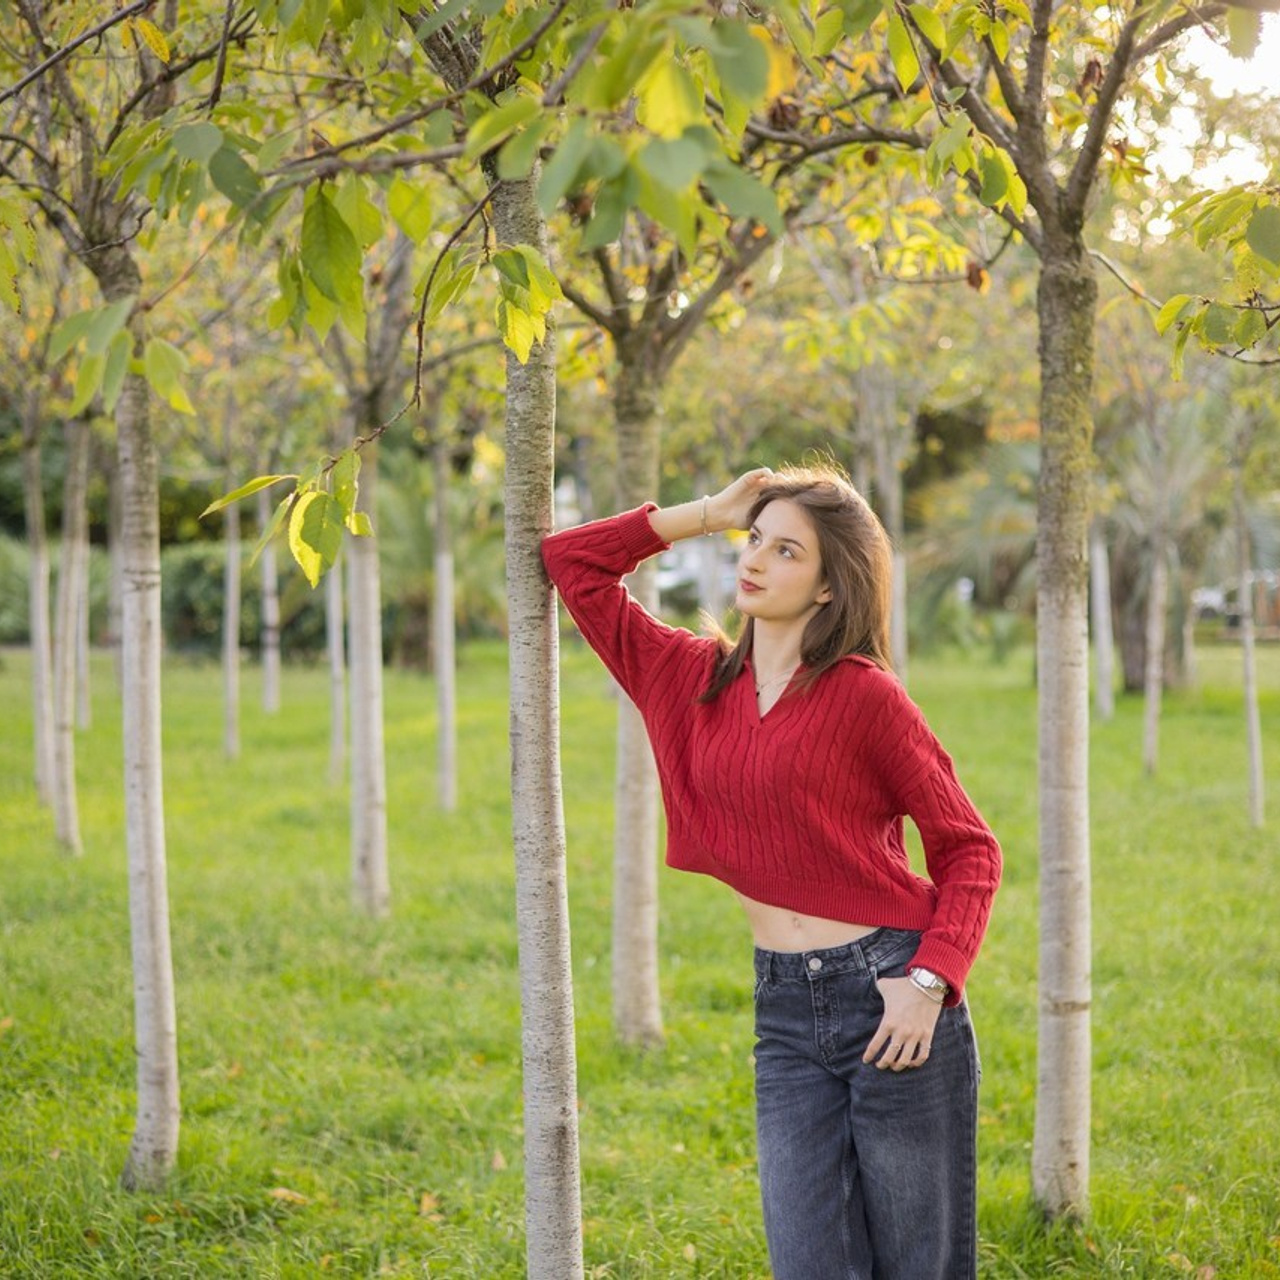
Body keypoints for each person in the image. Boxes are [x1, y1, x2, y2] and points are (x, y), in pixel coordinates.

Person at [541, 463, 1001, 1280]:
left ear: (829, 587)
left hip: (890, 995)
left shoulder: (867, 699)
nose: (754, 559)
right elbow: (571, 562)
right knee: (808, 1263)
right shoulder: (684, 675)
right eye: (754, 540)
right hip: (784, 1012)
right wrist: (706, 513)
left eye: (788, 551)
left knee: (918, 1265)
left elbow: (969, 847)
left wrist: (930, 983)